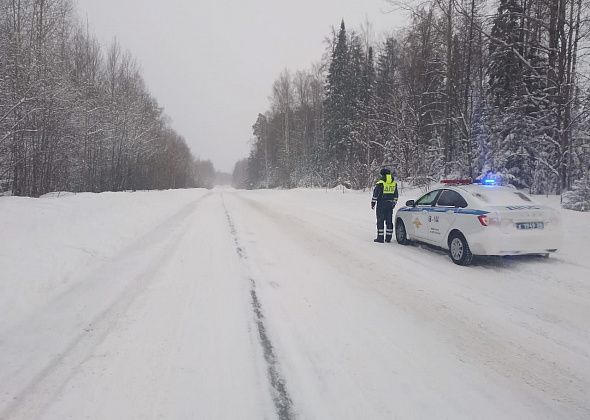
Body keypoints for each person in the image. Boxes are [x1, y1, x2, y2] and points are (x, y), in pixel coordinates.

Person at [371, 168, 398, 243]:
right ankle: (388, 238)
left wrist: (373, 203)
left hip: (381, 204)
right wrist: (393, 203)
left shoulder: (380, 183)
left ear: (382, 174)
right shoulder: (394, 183)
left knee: (380, 220)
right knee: (389, 221)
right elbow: (396, 195)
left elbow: (375, 194)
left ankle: (380, 238)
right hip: (390, 204)